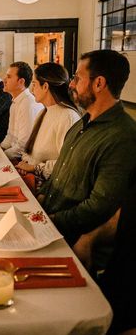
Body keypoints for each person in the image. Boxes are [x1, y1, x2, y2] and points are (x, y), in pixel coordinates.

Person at [39, 50, 136, 248]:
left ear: (98, 83)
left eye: (77, 78)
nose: (71, 84)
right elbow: (60, 171)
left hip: (70, 239)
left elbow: (98, 207)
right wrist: (39, 199)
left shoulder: (122, 136)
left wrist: (50, 221)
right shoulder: (83, 122)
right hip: (47, 220)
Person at [15, 63, 80, 186]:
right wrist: (26, 165)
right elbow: (30, 153)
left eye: (34, 84)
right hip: (33, 179)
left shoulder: (67, 117)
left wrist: (35, 168)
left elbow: (68, 165)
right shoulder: (44, 111)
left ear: (45, 86)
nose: (32, 90)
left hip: (49, 188)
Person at [1, 62, 44, 159]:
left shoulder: (28, 103)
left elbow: (23, 146)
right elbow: (10, 136)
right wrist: (0, 149)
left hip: (24, 159)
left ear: (21, 82)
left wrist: (1, 156)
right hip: (13, 153)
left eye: (8, 77)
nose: (4, 80)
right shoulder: (15, 102)